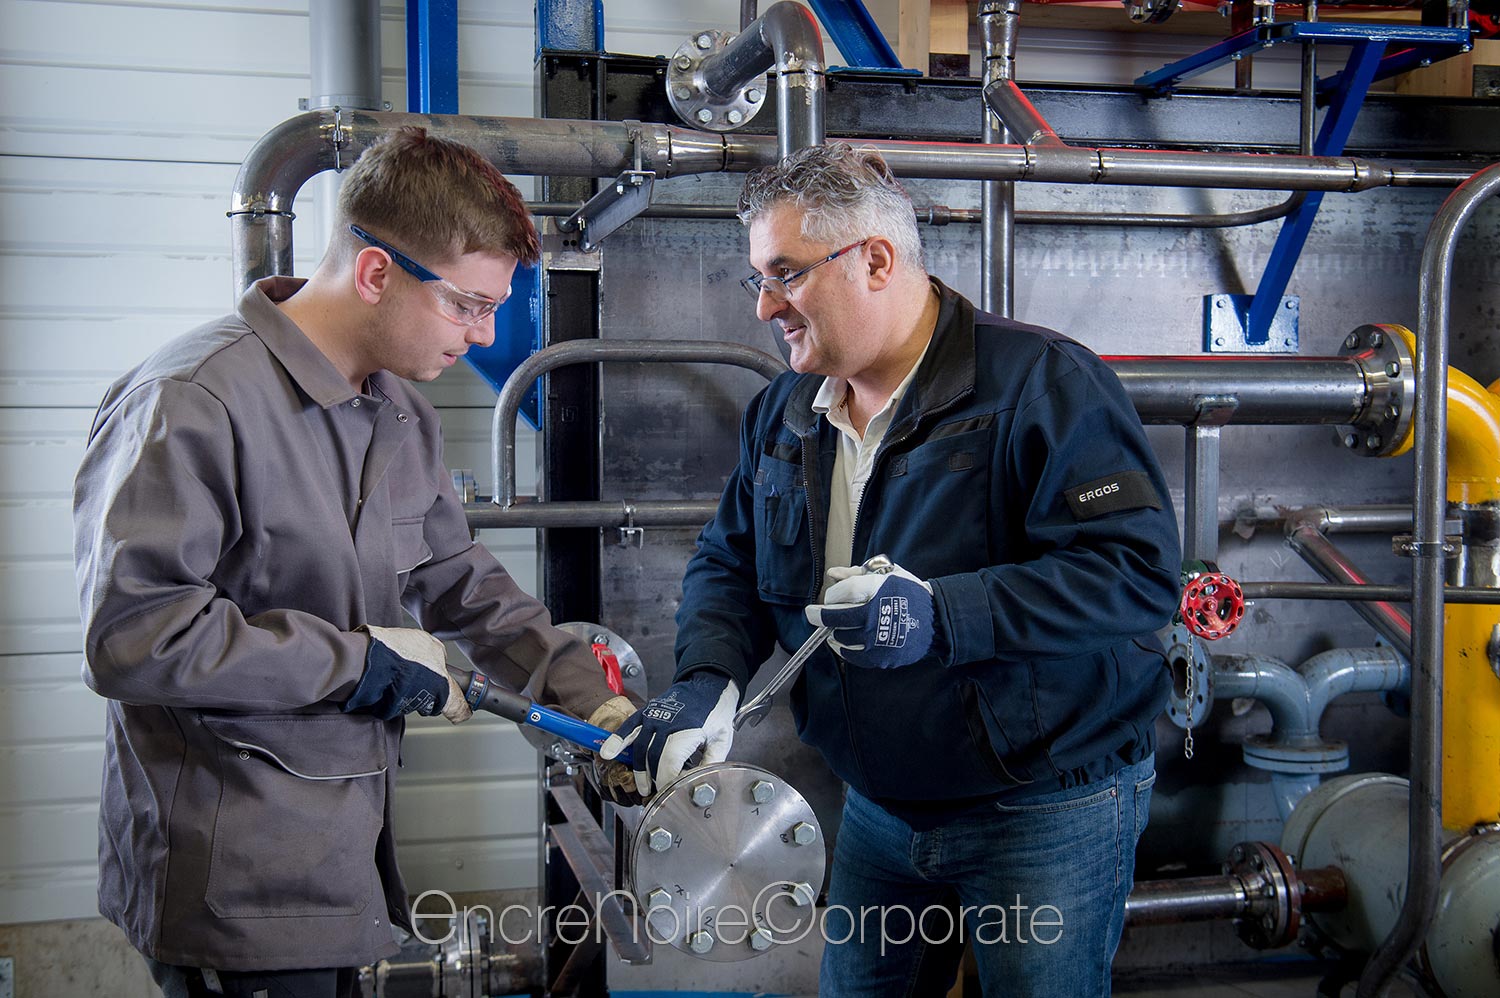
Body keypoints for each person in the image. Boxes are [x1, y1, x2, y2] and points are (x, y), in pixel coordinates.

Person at [601, 143, 1182, 997]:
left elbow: (1134, 574)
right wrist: (705, 677)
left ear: (874, 259)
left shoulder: (1042, 384)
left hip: (1045, 802)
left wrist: (941, 616)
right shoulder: (789, 409)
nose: (766, 306)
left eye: (786, 275)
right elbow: (731, 558)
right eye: (756, 280)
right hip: (879, 801)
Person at [73, 127, 637, 998]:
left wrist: (592, 699)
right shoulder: (191, 400)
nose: (484, 336)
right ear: (377, 273)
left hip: (342, 860)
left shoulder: (399, 412)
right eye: (466, 304)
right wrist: (360, 662)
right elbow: (134, 637)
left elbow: (462, 583)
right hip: (234, 882)